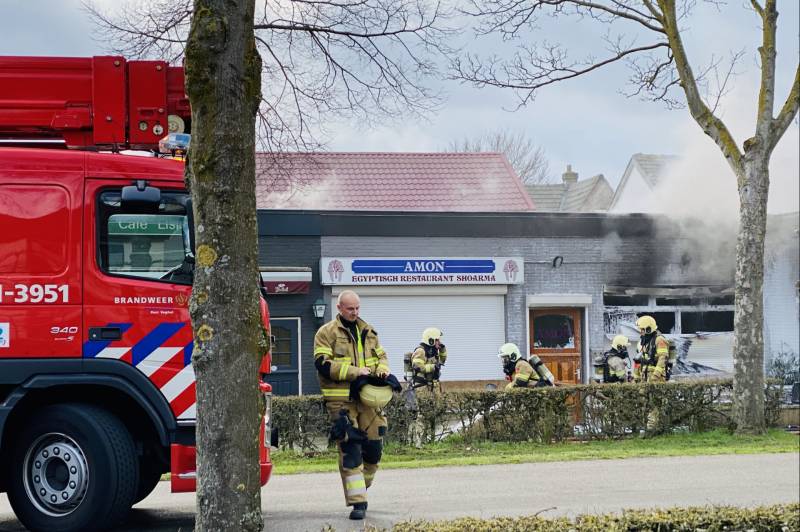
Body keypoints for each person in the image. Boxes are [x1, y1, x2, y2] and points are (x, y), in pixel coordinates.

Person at [313, 290, 391, 520]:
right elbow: (323, 365)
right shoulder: (325, 333)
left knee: (374, 450)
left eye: (357, 308)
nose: (355, 312)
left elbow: (381, 357)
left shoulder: (369, 331)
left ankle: (360, 488)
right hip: (340, 400)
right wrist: (356, 372)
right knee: (350, 449)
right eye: (350, 308)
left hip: (367, 398)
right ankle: (358, 503)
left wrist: (383, 369)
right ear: (339, 308)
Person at [634, 315, 670, 383]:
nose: (641, 332)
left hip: (656, 379)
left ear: (648, 329)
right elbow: (642, 360)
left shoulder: (659, 340)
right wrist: (638, 377)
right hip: (646, 377)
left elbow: (663, 358)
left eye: (642, 329)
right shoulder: (647, 341)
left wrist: (655, 375)